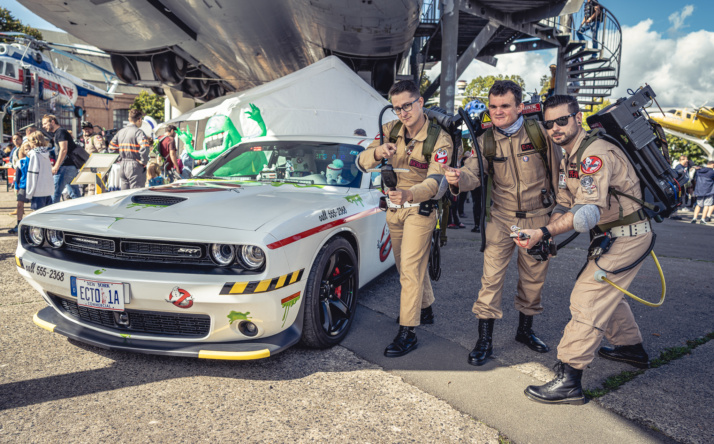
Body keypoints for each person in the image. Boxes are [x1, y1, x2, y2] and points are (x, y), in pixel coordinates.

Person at [518, 95, 653, 405]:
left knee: (587, 295)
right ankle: (630, 348)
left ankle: (569, 378)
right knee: (607, 290)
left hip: (627, 235)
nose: (554, 128)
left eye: (562, 120)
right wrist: (549, 236)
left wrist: (543, 232)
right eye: (549, 123)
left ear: (578, 118)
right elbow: (566, 200)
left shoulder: (595, 154)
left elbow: (587, 213)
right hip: (612, 234)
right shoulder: (571, 156)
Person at [443, 80, 562, 366]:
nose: (498, 112)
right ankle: (484, 340)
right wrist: (460, 179)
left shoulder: (539, 133)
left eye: (505, 106)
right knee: (491, 281)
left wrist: (559, 213)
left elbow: (560, 170)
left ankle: (525, 331)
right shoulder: (485, 140)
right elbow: (473, 172)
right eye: (493, 106)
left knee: (533, 282)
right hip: (501, 219)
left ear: (519, 107)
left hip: (537, 219)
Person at [357, 80, 453, 357]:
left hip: (420, 208)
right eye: (397, 108)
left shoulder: (439, 139)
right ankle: (426, 307)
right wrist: (377, 152)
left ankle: (407, 331)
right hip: (394, 208)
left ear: (420, 102)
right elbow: (361, 162)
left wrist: (410, 194)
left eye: (407, 106)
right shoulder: (389, 130)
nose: (403, 113)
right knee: (405, 267)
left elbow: (438, 182)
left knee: (409, 271)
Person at [42, 114, 82, 203]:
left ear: (52, 122)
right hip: (70, 167)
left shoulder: (60, 132)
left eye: (45, 123)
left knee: (54, 192)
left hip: (65, 167)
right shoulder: (59, 133)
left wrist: (56, 166)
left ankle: (50, 214)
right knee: (74, 193)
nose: (43, 126)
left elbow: (63, 149)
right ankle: (80, 210)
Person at [109, 109, 151, 189]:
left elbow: (111, 147)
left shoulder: (120, 132)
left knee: (125, 195)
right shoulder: (138, 132)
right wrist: (143, 161)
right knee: (136, 194)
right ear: (139, 119)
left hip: (122, 165)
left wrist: (119, 158)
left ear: (129, 119)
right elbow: (145, 146)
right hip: (135, 165)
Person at [25, 131, 54, 211]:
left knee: (37, 216)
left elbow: (33, 174)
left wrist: (29, 193)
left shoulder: (34, 154)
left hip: (38, 191)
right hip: (47, 190)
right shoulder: (46, 153)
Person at [8, 142, 32, 234]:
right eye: (26, 149)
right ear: (23, 151)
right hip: (23, 186)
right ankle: (19, 223)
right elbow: (17, 176)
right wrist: (16, 187)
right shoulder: (21, 162)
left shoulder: (37, 160)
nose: (28, 150)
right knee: (19, 205)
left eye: (30, 148)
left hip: (35, 187)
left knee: (35, 206)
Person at [79, 122, 107, 196]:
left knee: (97, 189)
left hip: (97, 168)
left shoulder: (95, 137)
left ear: (92, 129)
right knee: (91, 187)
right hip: (90, 167)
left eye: (88, 129)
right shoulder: (87, 139)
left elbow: (102, 151)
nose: (86, 131)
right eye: (84, 129)